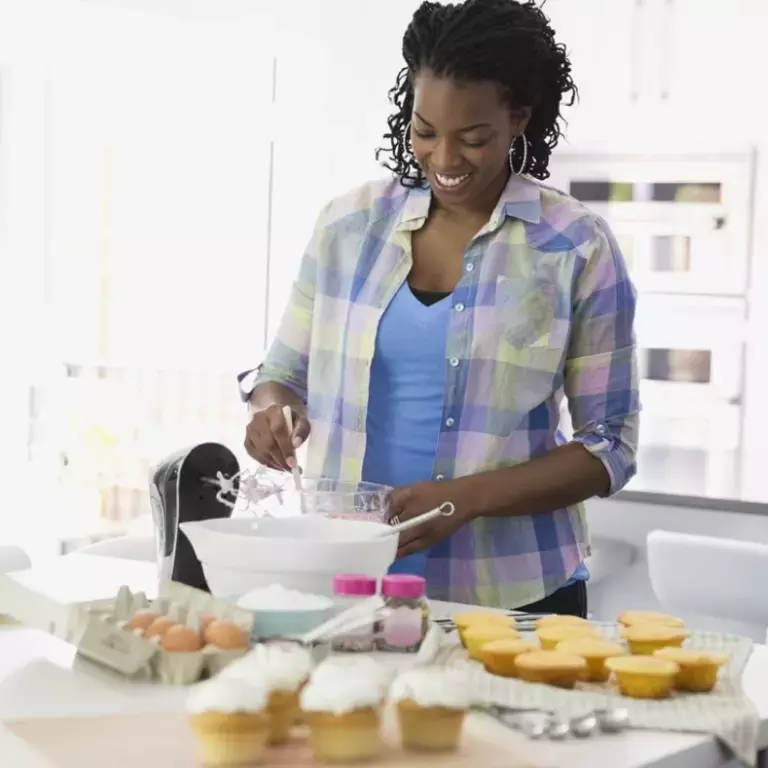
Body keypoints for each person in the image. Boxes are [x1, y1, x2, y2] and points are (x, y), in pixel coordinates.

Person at [239, 0, 639, 618]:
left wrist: (464, 498)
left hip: (515, 595)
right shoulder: (348, 227)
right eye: (425, 132)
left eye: (473, 138)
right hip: (346, 583)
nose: (445, 160)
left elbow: (610, 444)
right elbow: (282, 377)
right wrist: (274, 414)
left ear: (518, 121)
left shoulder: (573, 246)